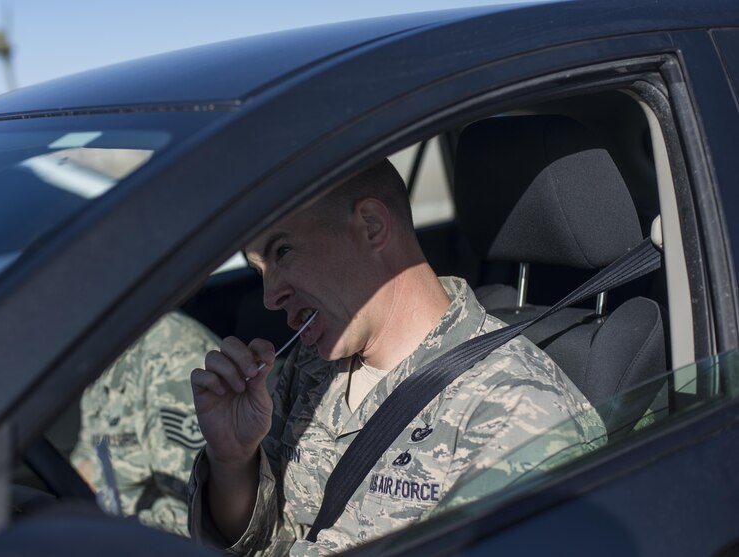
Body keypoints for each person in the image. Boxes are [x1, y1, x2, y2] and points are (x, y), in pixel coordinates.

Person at [188, 160, 606, 555]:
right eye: (260, 270)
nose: (269, 295)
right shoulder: (311, 367)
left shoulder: (518, 410)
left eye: (282, 252)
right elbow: (269, 542)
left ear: (371, 226)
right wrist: (233, 460)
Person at [71, 311, 221, 537]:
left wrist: (98, 536)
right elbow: (85, 464)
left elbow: (200, 520)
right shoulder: (102, 352)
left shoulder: (173, 356)